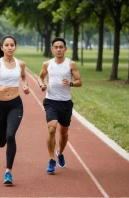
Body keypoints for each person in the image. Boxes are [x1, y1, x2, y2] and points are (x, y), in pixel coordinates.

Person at [0, 35, 30, 185]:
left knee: (11, 136)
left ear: (15, 47)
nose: (10, 47)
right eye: (7, 45)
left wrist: (25, 85)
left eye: (12, 45)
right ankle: (0, 137)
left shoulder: (20, 64)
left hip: (15, 105)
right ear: (2, 48)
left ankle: (8, 172)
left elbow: (23, 77)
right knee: (2, 142)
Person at [37, 37, 82, 174]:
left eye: (61, 47)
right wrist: (42, 84)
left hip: (66, 103)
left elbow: (79, 81)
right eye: (55, 47)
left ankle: (60, 152)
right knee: (51, 129)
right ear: (52, 49)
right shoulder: (47, 64)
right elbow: (40, 77)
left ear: (65, 49)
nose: (58, 49)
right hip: (51, 101)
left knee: (63, 133)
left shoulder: (71, 64)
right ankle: (51, 159)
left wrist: (70, 83)